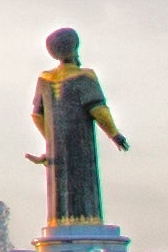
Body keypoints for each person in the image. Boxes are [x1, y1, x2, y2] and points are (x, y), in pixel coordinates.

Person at [31, 27, 126, 228]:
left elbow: (37, 115)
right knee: (83, 188)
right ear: (73, 51)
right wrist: (114, 134)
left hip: (57, 152)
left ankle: (62, 224)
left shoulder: (44, 80)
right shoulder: (85, 77)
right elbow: (98, 109)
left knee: (59, 193)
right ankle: (87, 223)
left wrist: (52, 142)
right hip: (80, 146)